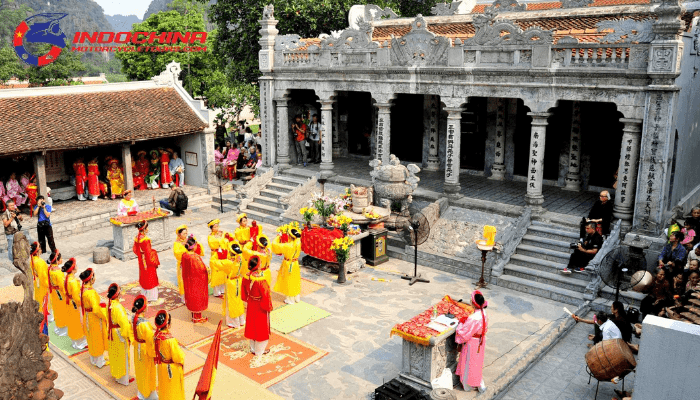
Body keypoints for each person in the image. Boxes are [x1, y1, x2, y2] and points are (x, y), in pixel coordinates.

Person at [455, 290, 489, 393]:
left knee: (469, 362)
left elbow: (463, 332)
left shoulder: (473, 318)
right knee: (477, 363)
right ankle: (479, 382)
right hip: (481, 341)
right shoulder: (484, 312)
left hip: (472, 343)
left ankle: (468, 386)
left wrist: (461, 323)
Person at [242, 256, 273, 356]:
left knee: (252, 325)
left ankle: (253, 348)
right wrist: (268, 307)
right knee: (261, 328)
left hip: (251, 302)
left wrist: (247, 299)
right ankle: (259, 351)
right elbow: (266, 294)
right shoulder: (260, 280)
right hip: (260, 305)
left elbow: (243, 293)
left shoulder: (246, 276)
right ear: (258, 266)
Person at [79, 268, 108, 368]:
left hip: (87, 316)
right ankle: (99, 361)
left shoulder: (84, 289)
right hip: (94, 318)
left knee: (90, 337)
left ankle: (93, 359)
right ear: (91, 279)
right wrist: (104, 315)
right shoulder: (90, 293)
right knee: (97, 338)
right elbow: (96, 309)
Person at [106, 283, 134, 386]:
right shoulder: (118, 307)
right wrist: (128, 335)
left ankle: (117, 375)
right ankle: (123, 379)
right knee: (123, 356)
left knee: (115, 355)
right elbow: (124, 324)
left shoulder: (109, 304)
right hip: (119, 334)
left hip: (112, 332)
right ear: (117, 294)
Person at [154, 310, 185, 400]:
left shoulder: (156, 336)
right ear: (168, 325)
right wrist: (182, 358)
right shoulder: (170, 340)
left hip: (161, 366)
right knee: (173, 390)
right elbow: (178, 357)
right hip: (170, 368)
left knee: (164, 389)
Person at [132, 296, 158, 400]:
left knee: (140, 370)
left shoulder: (134, 319)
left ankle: (141, 392)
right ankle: (149, 394)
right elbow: (150, 342)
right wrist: (154, 354)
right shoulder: (145, 325)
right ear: (145, 308)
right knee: (148, 371)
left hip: (137, 346)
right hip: (144, 349)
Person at [215, 242, 246, 328]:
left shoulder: (229, 262)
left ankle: (234, 322)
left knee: (231, 302)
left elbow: (214, 263)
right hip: (238, 280)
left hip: (231, 283)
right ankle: (241, 320)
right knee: (238, 301)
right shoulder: (240, 260)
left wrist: (216, 254)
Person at [181, 236, 209, 323]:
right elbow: (201, 269)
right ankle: (197, 318)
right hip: (196, 281)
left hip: (188, 279)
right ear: (194, 246)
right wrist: (207, 270)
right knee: (197, 297)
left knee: (191, 297)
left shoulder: (184, 255)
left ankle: (194, 315)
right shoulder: (194, 257)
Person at [272, 227, 303, 304]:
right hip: (295, 264)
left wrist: (278, 236)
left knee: (289, 281)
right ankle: (296, 297)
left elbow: (275, 245)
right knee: (295, 280)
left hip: (288, 265)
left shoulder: (288, 246)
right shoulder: (298, 242)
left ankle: (290, 299)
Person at [63, 258, 88, 350]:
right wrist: (82, 303)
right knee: (78, 322)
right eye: (76, 266)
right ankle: (79, 343)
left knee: (72, 322)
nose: (77, 267)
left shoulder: (67, 278)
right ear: (73, 269)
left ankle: (75, 342)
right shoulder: (72, 281)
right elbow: (76, 297)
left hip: (69, 302)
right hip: (74, 304)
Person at [134, 221, 160, 303]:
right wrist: (154, 260)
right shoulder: (146, 240)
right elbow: (149, 254)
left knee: (144, 276)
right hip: (147, 261)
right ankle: (151, 297)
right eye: (147, 228)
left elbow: (135, 249)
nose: (148, 229)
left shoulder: (137, 237)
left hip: (141, 260)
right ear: (144, 229)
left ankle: (144, 294)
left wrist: (140, 254)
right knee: (150, 277)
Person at [207, 219, 229, 298]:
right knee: (216, 272)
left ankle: (222, 289)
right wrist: (221, 238)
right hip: (215, 255)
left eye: (217, 226)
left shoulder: (221, 233)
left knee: (223, 271)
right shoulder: (210, 237)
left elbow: (226, 241)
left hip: (222, 254)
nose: (217, 228)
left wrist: (223, 237)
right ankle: (216, 291)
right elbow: (214, 245)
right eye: (215, 227)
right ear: (212, 228)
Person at [48, 251, 67, 336]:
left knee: (56, 309)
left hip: (54, 292)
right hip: (60, 293)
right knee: (62, 310)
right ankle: (62, 328)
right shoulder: (58, 272)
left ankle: (59, 326)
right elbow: (62, 285)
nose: (62, 260)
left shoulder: (50, 268)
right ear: (57, 260)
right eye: (61, 258)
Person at [30, 242, 50, 311]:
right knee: (44, 300)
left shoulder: (32, 260)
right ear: (37, 251)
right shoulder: (40, 262)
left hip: (37, 283)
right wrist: (48, 285)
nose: (41, 250)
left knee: (38, 298)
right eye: (40, 249)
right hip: (42, 284)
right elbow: (43, 276)